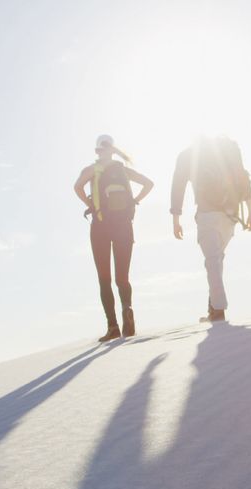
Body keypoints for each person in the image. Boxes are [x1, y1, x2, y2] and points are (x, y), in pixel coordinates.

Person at [74, 134, 154, 341]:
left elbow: (77, 187)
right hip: (124, 227)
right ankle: (127, 309)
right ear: (112, 148)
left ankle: (112, 327)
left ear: (98, 150)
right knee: (122, 278)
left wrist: (91, 204)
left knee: (104, 279)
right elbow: (149, 184)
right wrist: (134, 201)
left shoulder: (92, 170)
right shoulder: (123, 170)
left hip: (100, 226)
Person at [170, 135, 251, 322]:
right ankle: (213, 307)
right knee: (217, 261)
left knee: (213, 261)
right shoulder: (227, 150)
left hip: (208, 213)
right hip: (231, 214)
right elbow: (243, 177)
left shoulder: (187, 156)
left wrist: (176, 218)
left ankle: (218, 310)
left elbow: (178, 186)